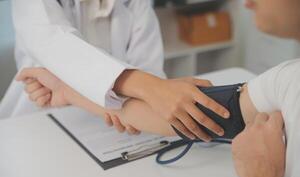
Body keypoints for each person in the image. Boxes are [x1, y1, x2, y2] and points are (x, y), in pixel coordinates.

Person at [16, 0, 300, 177]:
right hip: (36, 125)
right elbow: (50, 39)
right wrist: (73, 92)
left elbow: (163, 104)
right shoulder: (287, 80)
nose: (245, 2)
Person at [0, 0, 230, 140]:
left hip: (111, 128)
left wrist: (148, 94)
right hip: (40, 116)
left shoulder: (133, 3)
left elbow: (151, 79)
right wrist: (150, 89)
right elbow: (56, 48)